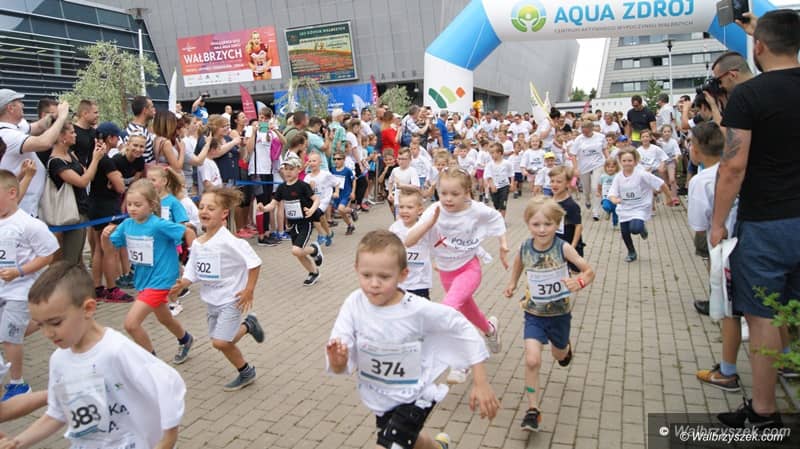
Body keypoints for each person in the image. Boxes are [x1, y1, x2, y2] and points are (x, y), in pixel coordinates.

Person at [326, 230, 499, 449]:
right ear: (356, 269)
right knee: (414, 441)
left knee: (390, 444)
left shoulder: (417, 309)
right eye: (366, 275)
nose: (374, 283)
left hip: (417, 394)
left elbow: (461, 327)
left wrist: (480, 381)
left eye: (384, 277)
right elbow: (340, 353)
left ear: (403, 275)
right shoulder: (354, 304)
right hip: (382, 395)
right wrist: (339, 360)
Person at [711, 10, 800, 428]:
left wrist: (717, 223)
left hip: (767, 222)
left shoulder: (748, 95)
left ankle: (764, 412)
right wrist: (757, 32)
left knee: (762, 314)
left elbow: (733, 166)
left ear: (759, 46)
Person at [1, 261, 185, 448]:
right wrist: (17, 442)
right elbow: (57, 413)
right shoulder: (58, 360)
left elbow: (168, 383)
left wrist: (168, 439)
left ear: (88, 308)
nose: (48, 333)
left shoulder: (116, 351)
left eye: (55, 323)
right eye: (40, 325)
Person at [405, 168, 507, 383]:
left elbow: (497, 218)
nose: (448, 199)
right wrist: (428, 224)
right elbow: (409, 241)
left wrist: (503, 245)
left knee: (448, 309)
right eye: (443, 193)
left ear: (467, 192)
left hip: (469, 268)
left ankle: (462, 362)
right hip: (446, 272)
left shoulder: (476, 210)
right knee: (470, 311)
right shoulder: (434, 210)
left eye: (454, 194)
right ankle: (489, 330)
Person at [503, 196, 595, 432]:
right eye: (536, 224)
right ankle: (533, 410)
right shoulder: (525, 246)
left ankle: (565, 348)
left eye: (548, 224)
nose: (542, 229)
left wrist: (580, 282)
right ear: (528, 224)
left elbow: (588, 270)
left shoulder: (563, 247)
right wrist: (512, 283)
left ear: (557, 224)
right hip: (534, 314)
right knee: (532, 359)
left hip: (559, 315)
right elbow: (518, 263)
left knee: (559, 355)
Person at [169, 187, 265, 391]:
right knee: (220, 340)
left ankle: (246, 372)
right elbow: (193, 269)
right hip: (211, 300)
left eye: (211, 208)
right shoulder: (198, 243)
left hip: (231, 298)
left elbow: (254, 263)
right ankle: (249, 325)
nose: (204, 211)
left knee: (220, 342)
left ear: (224, 214)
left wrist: (249, 290)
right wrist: (183, 283)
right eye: (201, 207)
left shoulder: (230, 241)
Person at [104, 180, 195, 362]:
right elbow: (110, 249)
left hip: (162, 279)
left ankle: (152, 363)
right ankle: (186, 339)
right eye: (129, 204)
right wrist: (105, 236)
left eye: (138, 205)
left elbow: (188, 231)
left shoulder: (159, 225)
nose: (132, 208)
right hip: (143, 279)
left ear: (152, 205)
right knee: (164, 318)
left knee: (131, 324)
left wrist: (193, 261)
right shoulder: (126, 224)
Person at [687, 122, 744, 392]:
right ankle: (786, 359)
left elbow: (699, 224)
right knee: (767, 307)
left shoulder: (701, 181)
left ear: (697, 150)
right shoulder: (742, 167)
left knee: (730, 312)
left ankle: (727, 372)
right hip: (753, 240)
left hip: (725, 249)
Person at [0, 170, 59, 401]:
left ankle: (18, 384)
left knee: (10, 336)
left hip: (20, 289)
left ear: (12, 193)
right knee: (7, 333)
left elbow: (48, 255)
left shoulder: (29, 224)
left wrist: (20, 272)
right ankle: (45, 319)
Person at [0, 90, 70, 217]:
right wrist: (61, 118)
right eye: (19, 102)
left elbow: (38, 126)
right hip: (22, 206)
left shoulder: (16, 126)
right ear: (10, 108)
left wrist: (53, 116)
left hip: (30, 203)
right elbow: (44, 142)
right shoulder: (6, 134)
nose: (23, 105)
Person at [258, 158, 324, 286]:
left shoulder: (303, 186)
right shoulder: (282, 187)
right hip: (292, 225)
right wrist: (264, 208)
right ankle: (313, 272)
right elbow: (273, 204)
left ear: (298, 169)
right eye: (286, 169)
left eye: (291, 169)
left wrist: (311, 210)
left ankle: (314, 250)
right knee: (298, 254)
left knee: (296, 250)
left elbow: (316, 199)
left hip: (305, 223)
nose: (288, 172)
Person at [46, 122, 105, 265]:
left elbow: (87, 174)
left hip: (81, 208)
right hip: (70, 212)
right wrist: (95, 159)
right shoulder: (56, 162)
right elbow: (82, 181)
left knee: (78, 255)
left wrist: (95, 156)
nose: (75, 135)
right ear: (61, 137)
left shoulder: (70, 155)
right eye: (71, 132)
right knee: (70, 258)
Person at [608, 148, 674, 262]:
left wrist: (669, 197)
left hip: (640, 207)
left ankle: (641, 228)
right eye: (624, 161)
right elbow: (612, 192)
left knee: (635, 229)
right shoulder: (618, 177)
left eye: (630, 160)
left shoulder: (642, 174)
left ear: (635, 161)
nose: (627, 163)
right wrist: (614, 200)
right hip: (624, 208)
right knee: (625, 232)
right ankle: (631, 252)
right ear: (620, 162)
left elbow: (661, 184)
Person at [89, 123, 130, 303]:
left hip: (95, 205)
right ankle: (112, 288)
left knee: (98, 248)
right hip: (107, 208)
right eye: (116, 137)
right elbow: (120, 187)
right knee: (109, 249)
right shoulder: (106, 160)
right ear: (110, 138)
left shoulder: (94, 157)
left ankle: (98, 286)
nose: (118, 140)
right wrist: (118, 181)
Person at [390, 187, 435, 300]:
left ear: (420, 210)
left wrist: (439, 261)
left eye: (409, 207)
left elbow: (436, 246)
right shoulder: (395, 228)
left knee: (421, 310)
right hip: (400, 282)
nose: (404, 210)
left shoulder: (425, 227)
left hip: (420, 283)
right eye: (401, 207)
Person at [570, 120, 607, 221]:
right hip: (584, 166)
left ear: (591, 129)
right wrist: (575, 168)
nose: (584, 133)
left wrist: (608, 160)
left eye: (586, 131)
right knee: (586, 189)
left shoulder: (600, 137)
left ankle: (596, 211)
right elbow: (573, 155)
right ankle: (587, 199)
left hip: (598, 164)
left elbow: (604, 149)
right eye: (583, 131)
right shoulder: (579, 139)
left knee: (595, 187)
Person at [549, 166, 584, 272]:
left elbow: (578, 226)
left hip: (568, 242)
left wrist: (573, 246)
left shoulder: (571, 205)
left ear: (568, 183)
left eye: (559, 182)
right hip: (553, 242)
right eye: (552, 181)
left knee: (572, 273)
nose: (554, 184)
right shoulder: (549, 201)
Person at [330, 151, 357, 236]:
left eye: (338, 159)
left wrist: (353, 192)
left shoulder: (347, 171)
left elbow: (354, 180)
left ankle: (351, 214)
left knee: (341, 209)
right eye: (334, 159)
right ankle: (350, 224)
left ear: (343, 159)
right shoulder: (332, 170)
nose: (336, 161)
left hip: (346, 193)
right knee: (341, 211)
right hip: (337, 194)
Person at [484, 142, 513, 218]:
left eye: (493, 153)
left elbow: (511, 173)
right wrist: (492, 185)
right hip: (494, 187)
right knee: (496, 205)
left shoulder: (507, 163)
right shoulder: (489, 164)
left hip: (504, 186)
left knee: (503, 204)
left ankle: (502, 220)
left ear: (499, 153)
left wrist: (512, 183)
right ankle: (498, 215)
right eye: (491, 153)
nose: (491, 155)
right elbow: (488, 176)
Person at [124, 95, 156, 163]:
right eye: (152, 107)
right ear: (145, 110)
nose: (154, 109)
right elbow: (140, 161)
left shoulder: (141, 128)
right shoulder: (138, 132)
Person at [69, 100, 99, 167]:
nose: (98, 115)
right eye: (95, 113)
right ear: (85, 113)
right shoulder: (72, 132)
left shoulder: (94, 132)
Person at [598, 157, 621, 228]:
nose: (610, 169)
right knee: (606, 206)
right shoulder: (603, 176)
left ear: (616, 167)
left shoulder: (618, 176)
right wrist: (598, 192)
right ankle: (608, 211)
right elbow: (599, 185)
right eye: (608, 167)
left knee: (615, 212)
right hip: (606, 196)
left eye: (612, 167)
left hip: (615, 197)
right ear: (605, 167)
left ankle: (615, 224)